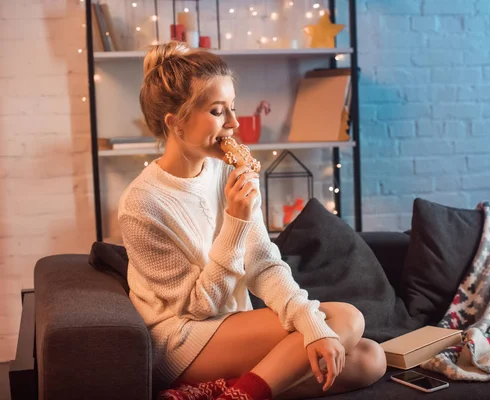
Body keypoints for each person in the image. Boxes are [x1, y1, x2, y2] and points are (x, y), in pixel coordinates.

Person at [118, 41, 387, 400]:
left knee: (370, 359)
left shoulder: (226, 172)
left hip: (234, 325)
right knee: (346, 320)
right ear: (176, 122)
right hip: (182, 339)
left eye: (232, 108)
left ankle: (226, 390)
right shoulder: (142, 203)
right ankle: (243, 395)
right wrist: (236, 220)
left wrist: (309, 324)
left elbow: (263, 264)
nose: (233, 123)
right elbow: (198, 306)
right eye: (217, 111)